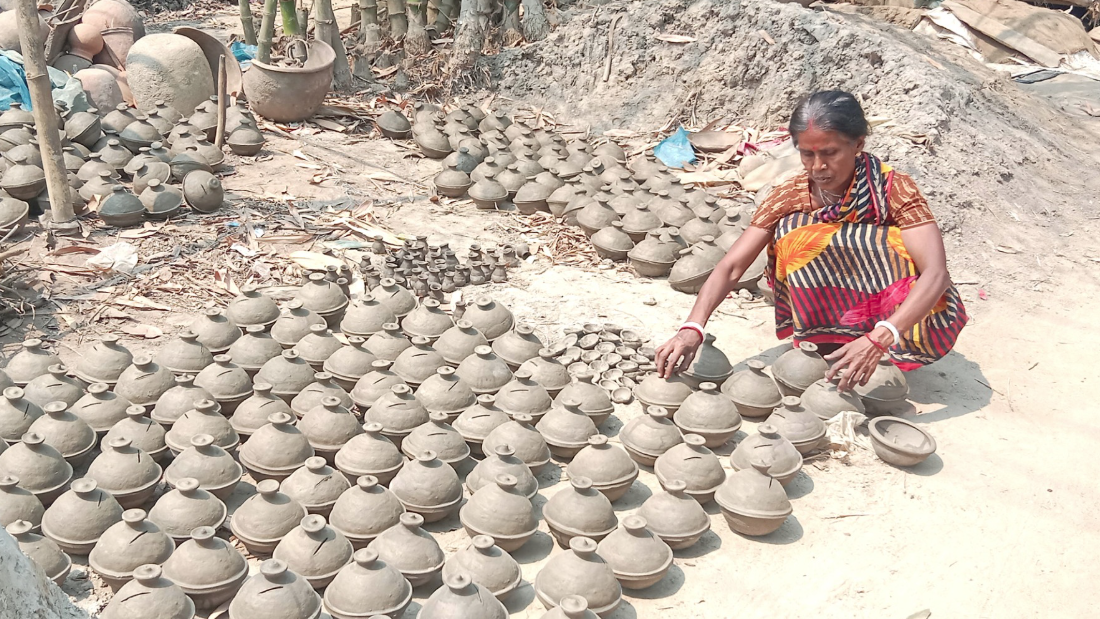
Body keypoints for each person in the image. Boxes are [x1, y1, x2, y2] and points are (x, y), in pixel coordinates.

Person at [656, 90, 968, 391]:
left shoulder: (893, 189)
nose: (818, 166)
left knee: (890, 244)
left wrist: (881, 336)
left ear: (858, 144)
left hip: (895, 321)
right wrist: (692, 328)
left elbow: (936, 274)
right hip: (834, 310)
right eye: (807, 154)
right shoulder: (790, 194)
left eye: (830, 153)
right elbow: (733, 266)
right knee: (794, 233)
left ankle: (881, 343)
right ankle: (825, 339)